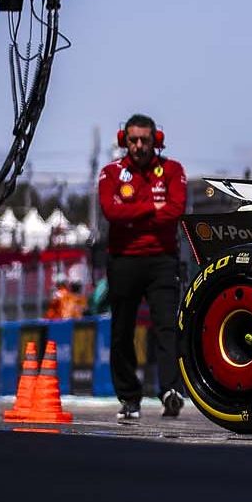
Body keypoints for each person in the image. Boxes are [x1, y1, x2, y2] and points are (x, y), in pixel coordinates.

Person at [97, 113, 187, 420]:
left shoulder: (173, 170)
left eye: (144, 140)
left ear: (155, 141)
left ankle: (171, 391)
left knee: (167, 327)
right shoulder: (110, 173)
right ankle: (129, 398)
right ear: (124, 141)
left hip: (162, 260)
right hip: (123, 260)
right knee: (122, 330)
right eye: (133, 140)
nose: (138, 146)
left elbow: (175, 210)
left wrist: (134, 213)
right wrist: (152, 208)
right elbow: (112, 212)